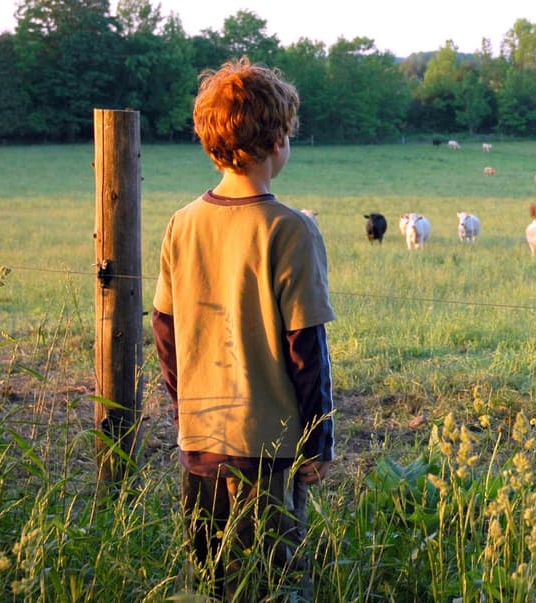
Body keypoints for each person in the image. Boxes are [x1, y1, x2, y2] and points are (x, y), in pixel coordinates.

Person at [152, 56, 336, 601]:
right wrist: (317, 442)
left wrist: (186, 407)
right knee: (273, 580)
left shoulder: (182, 222)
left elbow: (164, 331)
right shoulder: (292, 227)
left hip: (200, 438)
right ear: (278, 140)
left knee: (208, 579)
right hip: (271, 445)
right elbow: (306, 347)